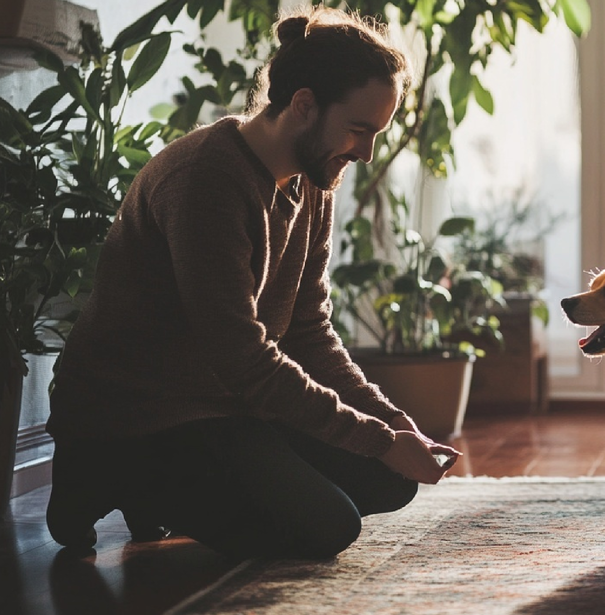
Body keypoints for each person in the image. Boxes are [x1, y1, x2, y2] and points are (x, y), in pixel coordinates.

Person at [45, 6, 460, 559]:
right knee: (328, 527)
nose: (365, 153)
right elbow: (242, 357)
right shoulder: (206, 179)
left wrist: (393, 424)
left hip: (228, 404)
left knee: (390, 478)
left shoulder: (314, 181)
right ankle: (106, 473)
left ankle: (189, 488)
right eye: (359, 130)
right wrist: (380, 439)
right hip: (144, 413)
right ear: (304, 105)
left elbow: (310, 332)